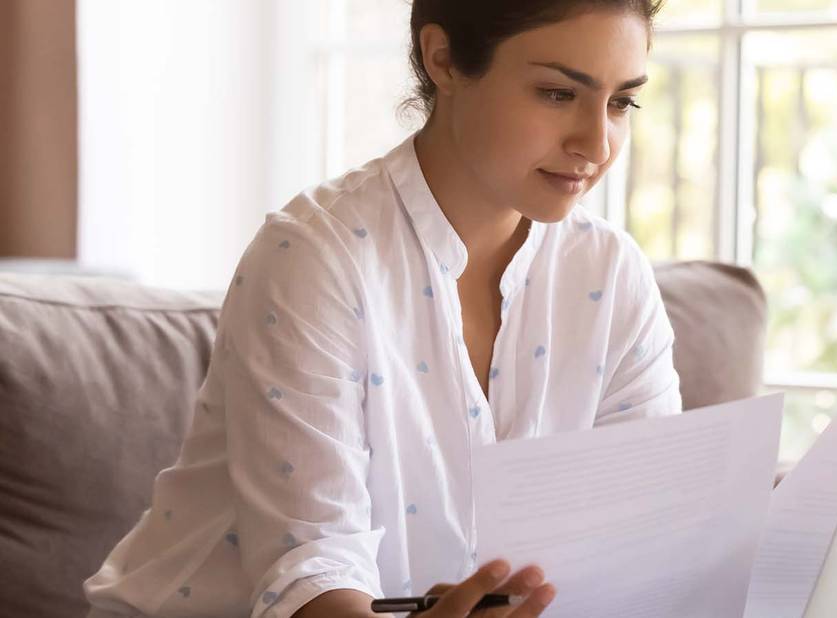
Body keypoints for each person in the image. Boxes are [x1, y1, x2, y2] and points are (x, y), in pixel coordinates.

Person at [82, 1, 681, 616]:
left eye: (621, 103)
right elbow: (311, 568)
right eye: (557, 93)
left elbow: (642, 543)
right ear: (442, 59)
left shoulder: (611, 275)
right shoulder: (314, 255)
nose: (597, 143)